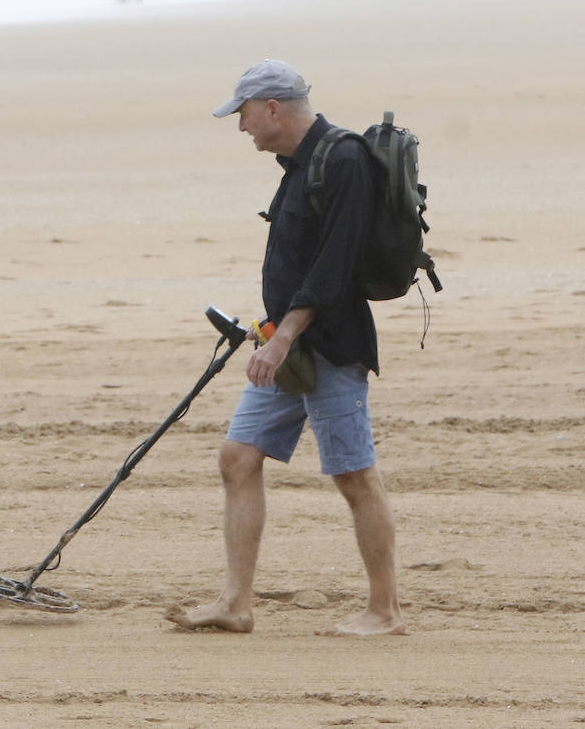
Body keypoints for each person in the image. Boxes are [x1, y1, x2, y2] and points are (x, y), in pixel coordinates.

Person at [166, 59, 407, 637]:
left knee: (354, 476)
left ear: (272, 108)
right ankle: (235, 604)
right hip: (287, 342)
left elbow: (334, 264)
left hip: (328, 345)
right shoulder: (298, 164)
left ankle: (385, 612)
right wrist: (270, 329)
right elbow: (302, 259)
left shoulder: (342, 159)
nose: (241, 125)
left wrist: (285, 338)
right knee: (238, 459)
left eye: (243, 114)